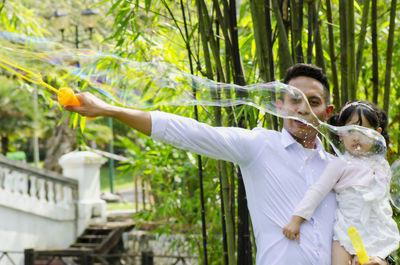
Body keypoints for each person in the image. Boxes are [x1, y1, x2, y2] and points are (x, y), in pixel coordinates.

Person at [65, 63, 389, 265]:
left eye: (313, 102)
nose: (302, 109)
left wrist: (376, 259)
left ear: (328, 112)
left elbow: (363, 223)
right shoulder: (258, 146)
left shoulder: (341, 167)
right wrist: (111, 110)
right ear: (279, 104)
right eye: (294, 99)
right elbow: (188, 132)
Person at [283, 100, 400, 265]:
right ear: (340, 134)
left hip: (375, 235)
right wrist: (297, 219)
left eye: (364, 130)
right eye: (351, 130)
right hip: (346, 232)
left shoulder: (382, 165)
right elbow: (317, 191)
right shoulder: (341, 163)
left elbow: (383, 204)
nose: (357, 136)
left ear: (377, 134)